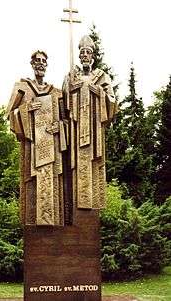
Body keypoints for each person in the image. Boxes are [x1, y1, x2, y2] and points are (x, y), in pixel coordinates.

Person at [6, 51, 66, 226]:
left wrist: (60, 127)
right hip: (31, 149)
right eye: (37, 61)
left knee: (53, 189)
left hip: (52, 151)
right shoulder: (22, 88)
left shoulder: (56, 93)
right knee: (32, 188)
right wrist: (27, 109)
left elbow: (65, 121)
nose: (40, 63)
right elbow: (10, 114)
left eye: (43, 61)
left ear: (46, 65)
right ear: (32, 64)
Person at [63, 35, 117, 214]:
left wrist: (97, 91)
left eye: (88, 52)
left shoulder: (101, 76)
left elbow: (112, 101)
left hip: (94, 132)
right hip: (77, 130)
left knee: (94, 167)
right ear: (79, 55)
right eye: (82, 52)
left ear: (93, 56)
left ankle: (92, 200)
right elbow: (63, 103)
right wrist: (69, 87)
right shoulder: (72, 75)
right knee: (77, 166)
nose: (85, 55)